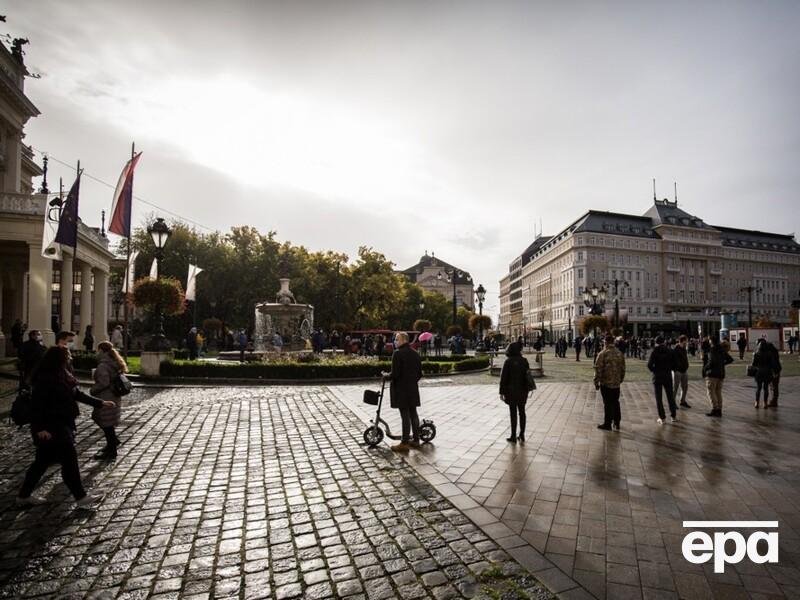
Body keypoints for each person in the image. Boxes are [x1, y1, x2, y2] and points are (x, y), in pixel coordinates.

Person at [16, 346, 114, 507]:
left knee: (41, 463)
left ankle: (23, 496)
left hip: (62, 423)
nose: (70, 358)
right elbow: (37, 406)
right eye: (67, 356)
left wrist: (100, 403)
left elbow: (77, 394)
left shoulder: (62, 374)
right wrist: (40, 429)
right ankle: (81, 497)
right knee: (69, 462)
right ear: (58, 359)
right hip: (52, 427)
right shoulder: (45, 378)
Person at [387, 332, 423, 452]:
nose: (395, 341)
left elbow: (395, 374)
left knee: (405, 415)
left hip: (401, 389)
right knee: (413, 413)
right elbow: (420, 374)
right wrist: (412, 381)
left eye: (397, 339)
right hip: (412, 388)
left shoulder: (397, 353)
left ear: (404, 340)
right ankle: (416, 440)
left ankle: (404, 443)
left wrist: (386, 376)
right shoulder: (415, 353)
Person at [90, 341, 127, 460]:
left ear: (101, 350)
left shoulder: (103, 365)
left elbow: (104, 382)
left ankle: (112, 450)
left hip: (106, 397)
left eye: (98, 350)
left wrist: (92, 390)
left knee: (106, 423)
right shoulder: (114, 361)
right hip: (114, 396)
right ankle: (112, 443)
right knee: (107, 422)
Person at [500, 341, 532, 442]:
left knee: (513, 413)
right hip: (523, 390)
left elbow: (503, 378)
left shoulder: (508, 362)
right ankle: (522, 434)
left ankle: (513, 435)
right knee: (522, 412)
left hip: (511, 391)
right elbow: (528, 375)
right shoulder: (524, 361)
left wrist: (502, 392)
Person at [594, 335, 625, 431]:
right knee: (615, 402)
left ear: (606, 342)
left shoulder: (603, 354)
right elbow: (623, 368)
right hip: (616, 383)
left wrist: (596, 382)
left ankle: (607, 423)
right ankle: (617, 421)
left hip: (606, 383)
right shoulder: (619, 353)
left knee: (607, 403)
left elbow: (598, 369)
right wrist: (620, 379)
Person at [647, 336, 678, 425]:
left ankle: (662, 417)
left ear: (656, 342)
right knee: (670, 396)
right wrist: (670, 369)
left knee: (659, 398)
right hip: (667, 375)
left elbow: (649, 365)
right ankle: (673, 416)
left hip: (657, 376)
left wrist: (655, 370)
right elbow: (675, 364)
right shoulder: (670, 351)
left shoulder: (654, 351)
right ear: (664, 342)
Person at [703, 336, 733, 417]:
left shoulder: (712, 350)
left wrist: (705, 368)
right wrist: (722, 364)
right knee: (718, 392)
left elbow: (711, 362)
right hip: (721, 373)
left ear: (712, 341)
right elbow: (730, 359)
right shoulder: (722, 349)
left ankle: (715, 408)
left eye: (710, 340)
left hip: (712, 374)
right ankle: (719, 409)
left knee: (710, 392)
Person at [750, 340, 775, 409]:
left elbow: (753, 364)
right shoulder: (769, 354)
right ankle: (765, 403)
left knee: (758, 388)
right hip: (767, 372)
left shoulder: (756, 354)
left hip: (759, 372)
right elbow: (772, 364)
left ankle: (757, 402)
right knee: (766, 388)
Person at [672, 335, 691, 408]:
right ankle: (672, 402)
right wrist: (676, 369)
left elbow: (685, 358)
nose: (687, 342)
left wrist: (686, 365)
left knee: (685, 387)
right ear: (683, 341)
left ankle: (682, 401)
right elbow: (674, 360)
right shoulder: (676, 349)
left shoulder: (684, 349)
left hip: (684, 370)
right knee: (675, 387)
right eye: (686, 340)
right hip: (677, 371)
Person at [768, 341, 782, 407]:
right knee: (775, 386)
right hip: (777, 370)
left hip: (774, 371)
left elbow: (773, 363)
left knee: (774, 386)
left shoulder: (771, 353)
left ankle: (774, 401)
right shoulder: (775, 352)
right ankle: (774, 400)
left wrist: (774, 372)